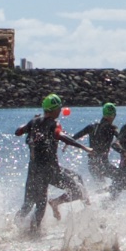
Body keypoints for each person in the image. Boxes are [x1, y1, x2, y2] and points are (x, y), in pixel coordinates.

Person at [14, 94, 89, 231]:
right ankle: (52, 209)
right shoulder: (54, 124)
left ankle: (15, 228)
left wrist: (32, 123)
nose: (60, 111)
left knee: (30, 204)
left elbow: (18, 131)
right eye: (59, 108)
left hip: (33, 171)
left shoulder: (33, 122)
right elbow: (60, 136)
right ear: (54, 110)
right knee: (77, 190)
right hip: (50, 171)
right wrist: (83, 147)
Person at [78, 105, 126, 202]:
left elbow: (74, 137)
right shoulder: (112, 128)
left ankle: (94, 199)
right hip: (103, 165)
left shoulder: (91, 127)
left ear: (104, 114)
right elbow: (122, 139)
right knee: (122, 180)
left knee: (103, 185)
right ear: (113, 116)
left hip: (92, 165)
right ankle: (104, 201)